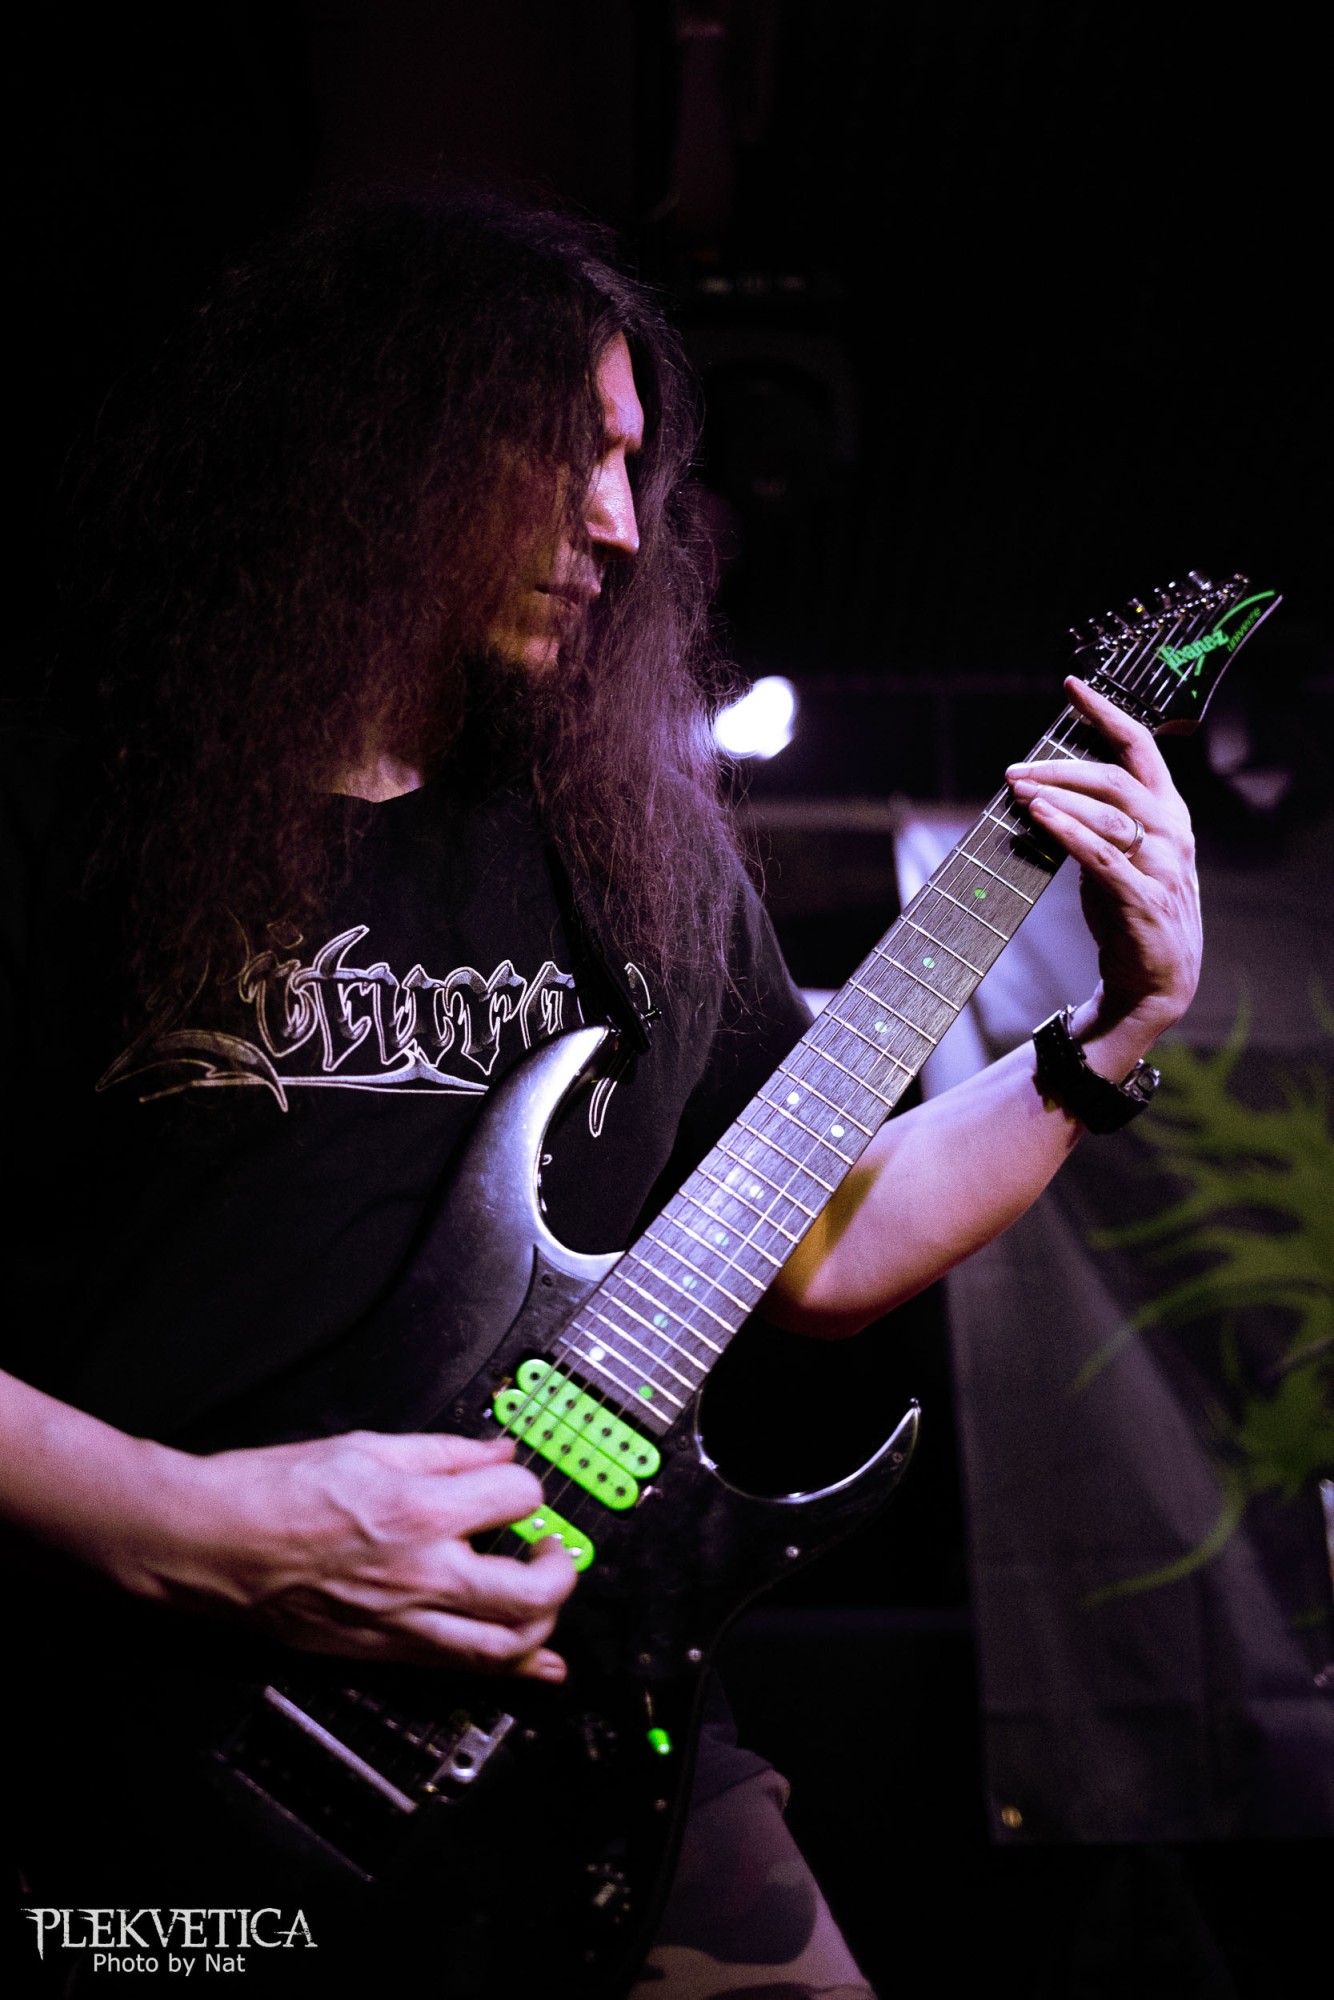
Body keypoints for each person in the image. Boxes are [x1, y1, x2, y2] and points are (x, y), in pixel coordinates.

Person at [1, 194, 1201, 1996]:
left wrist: (1111, 1033)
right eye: (570, 452)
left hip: (577, 1736)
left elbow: (811, 1245)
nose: (622, 525)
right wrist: (206, 1536)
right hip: (120, 1733)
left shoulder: (631, 848)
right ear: (380, 432)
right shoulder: (69, 804)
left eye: (637, 465)